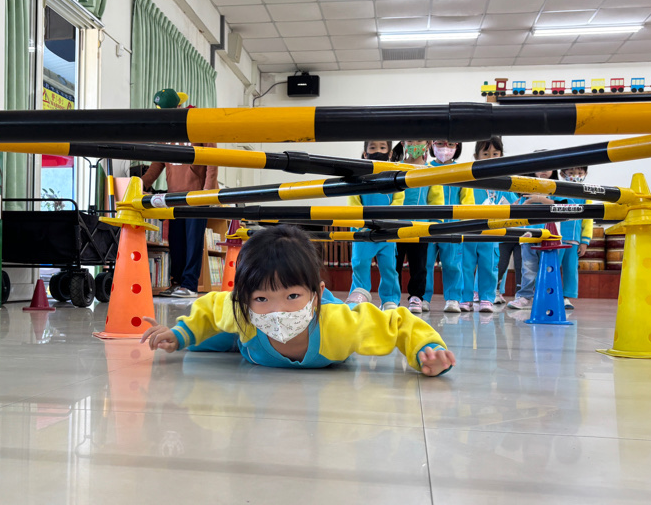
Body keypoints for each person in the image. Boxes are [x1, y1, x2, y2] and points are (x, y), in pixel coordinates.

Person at [139, 225, 457, 376]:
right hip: (246, 338)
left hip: (321, 321)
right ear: (245, 300)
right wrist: (179, 334)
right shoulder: (241, 313)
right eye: (262, 298)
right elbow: (211, 307)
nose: (278, 310)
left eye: (292, 296)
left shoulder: (339, 324)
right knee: (202, 340)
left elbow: (398, 323)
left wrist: (427, 350)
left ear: (316, 294)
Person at [141, 88, 218, 297]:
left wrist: (208, 191)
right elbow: (158, 163)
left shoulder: (198, 124)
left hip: (196, 195)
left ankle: (190, 285)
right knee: (176, 241)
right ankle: (176, 283)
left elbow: (213, 159)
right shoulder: (166, 132)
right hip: (174, 196)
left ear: (178, 107)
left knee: (193, 242)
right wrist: (142, 184)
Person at [345, 140, 403, 310]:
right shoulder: (358, 176)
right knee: (360, 264)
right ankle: (359, 295)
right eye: (372, 147)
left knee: (389, 267)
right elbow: (353, 200)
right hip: (363, 230)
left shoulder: (394, 175)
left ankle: (390, 300)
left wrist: (389, 222)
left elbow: (399, 200)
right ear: (365, 154)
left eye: (382, 147)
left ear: (390, 153)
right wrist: (361, 222)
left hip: (386, 231)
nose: (377, 151)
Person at [459, 137, 514, 312]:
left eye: (495, 154)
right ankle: (465, 298)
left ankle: (487, 298)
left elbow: (514, 203)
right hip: (469, 231)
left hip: (491, 234)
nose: (490, 158)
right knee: (465, 265)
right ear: (476, 156)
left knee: (489, 266)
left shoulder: (504, 181)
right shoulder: (468, 179)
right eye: (485, 153)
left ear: (501, 156)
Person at [392, 140, 441, 314]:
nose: (414, 144)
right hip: (396, 226)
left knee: (420, 265)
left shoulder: (431, 171)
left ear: (427, 144)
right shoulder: (395, 168)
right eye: (410, 140)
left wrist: (436, 223)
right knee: (394, 265)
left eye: (419, 140)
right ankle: (392, 297)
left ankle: (416, 297)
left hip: (420, 227)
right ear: (403, 142)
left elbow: (436, 199)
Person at [507, 165, 557, 310]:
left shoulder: (557, 187)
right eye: (540, 166)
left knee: (548, 268)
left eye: (548, 166)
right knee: (528, 268)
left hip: (549, 235)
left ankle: (547, 297)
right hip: (528, 235)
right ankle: (524, 296)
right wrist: (521, 205)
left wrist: (540, 199)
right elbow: (519, 209)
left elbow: (562, 205)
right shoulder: (526, 186)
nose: (544, 169)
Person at [424, 140, 464, 314]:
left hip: (453, 225)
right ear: (431, 145)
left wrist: (465, 222)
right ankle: (423, 298)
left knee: (452, 263)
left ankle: (453, 298)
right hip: (428, 225)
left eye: (450, 144)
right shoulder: (425, 169)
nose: (445, 148)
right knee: (425, 263)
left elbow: (467, 198)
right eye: (440, 143)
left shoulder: (462, 170)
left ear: (457, 146)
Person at [555, 165, 595, 309]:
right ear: (562, 173)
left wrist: (585, 241)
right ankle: (552, 294)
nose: (576, 175)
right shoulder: (556, 190)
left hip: (574, 241)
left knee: (571, 269)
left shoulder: (586, 195)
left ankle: (566, 297)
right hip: (556, 239)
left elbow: (588, 220)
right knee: (553, 268)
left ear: (585, 173)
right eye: (571, 172)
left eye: (579, 173)